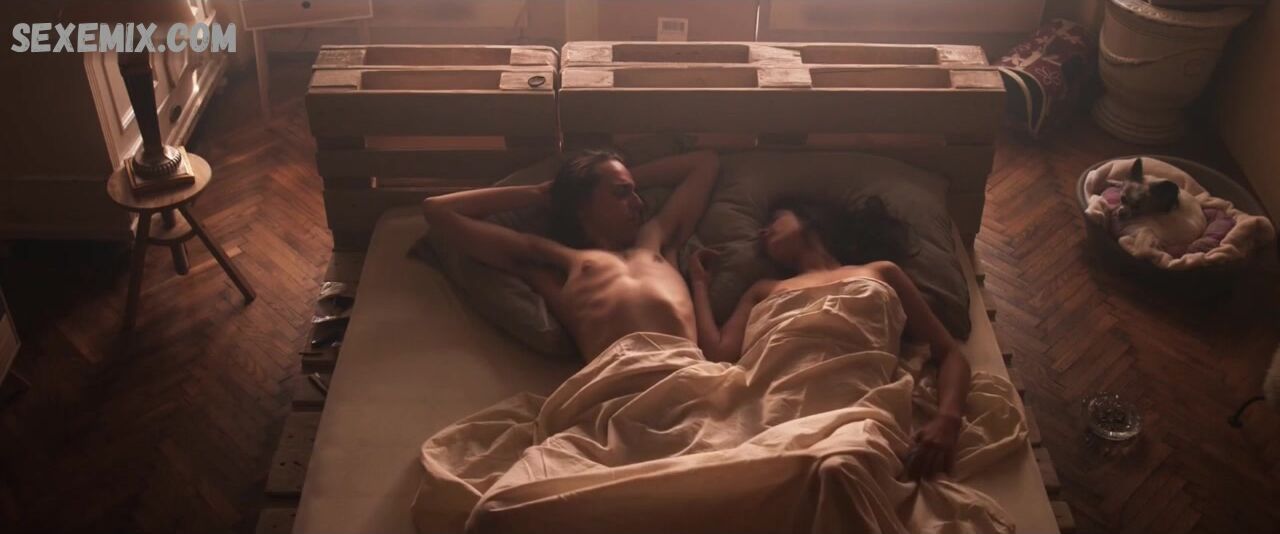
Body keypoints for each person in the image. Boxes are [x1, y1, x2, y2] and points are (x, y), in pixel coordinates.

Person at [688, 197, 971, 479]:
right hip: (770, 408)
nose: (763, 232)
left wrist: (948, 419)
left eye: (774, 219)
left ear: (810, 219)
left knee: (838, 468)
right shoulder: (763, 289)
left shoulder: (881, 272)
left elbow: (950, 354)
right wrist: (699, 284)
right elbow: (718, 354)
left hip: (854, 411)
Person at [422, 148, 719, 359]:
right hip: (622, 384)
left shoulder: (655, 238)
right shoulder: (556, 261)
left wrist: (624, 180)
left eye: (635, 192)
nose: (638, 203)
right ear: (581, 204)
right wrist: (542, 194)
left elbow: (704, 163)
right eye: (621, 193)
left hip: (687, 374)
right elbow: (437, 210)